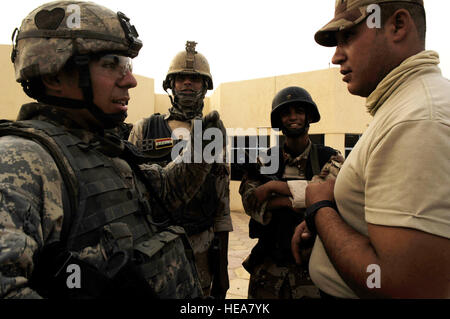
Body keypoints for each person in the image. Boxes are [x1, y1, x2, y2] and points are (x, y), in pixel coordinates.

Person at [0, 1, 226, 299]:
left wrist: (199, 152)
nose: (130, 80)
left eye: (127, 67)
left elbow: (165, 194)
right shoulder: (21, 162)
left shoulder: (104, 150)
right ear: (54, 75)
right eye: (111, 65)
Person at [292, 0, 450, 298]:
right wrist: (332, 225)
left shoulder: (417, 119)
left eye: (348, 37)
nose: (336, 56)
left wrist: (320, 209)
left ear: (398, 26)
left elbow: (403, 287)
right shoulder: (403, 108)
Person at [128, 41, 232, 299]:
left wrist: (222, 268)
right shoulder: (145, 129)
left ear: (205, 87)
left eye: (195, 80)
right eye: (182, 78)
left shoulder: (213, 133)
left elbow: (222, 203)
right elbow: (129, 193)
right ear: (171, 85)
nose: (187, 84)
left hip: (201, 249)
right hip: (153, 248)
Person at [239, 86, 343, 299]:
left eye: (299, 111)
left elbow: (331, 193)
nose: (292, 117)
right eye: (286, 113)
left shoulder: (330, 157)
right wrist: (294, 201)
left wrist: (273, 189)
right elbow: (250, 201)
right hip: (268, 268)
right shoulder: (264, 160)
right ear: (279, 120)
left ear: (308, 117)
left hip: (313, 270)